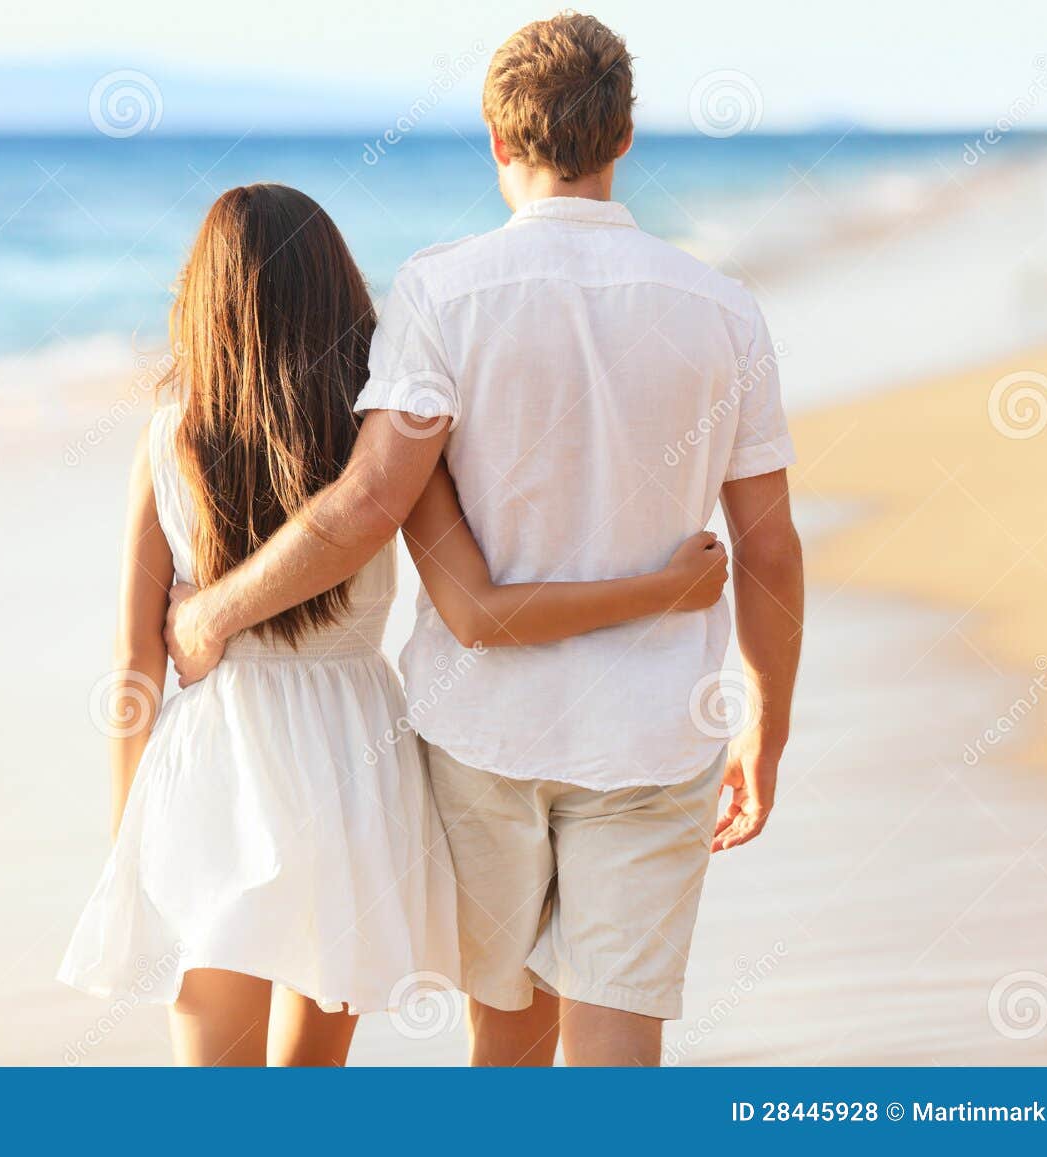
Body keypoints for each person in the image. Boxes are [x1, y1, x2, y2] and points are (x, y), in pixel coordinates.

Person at [165, 14, 805, 1067]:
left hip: (480, 735)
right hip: (653, 732)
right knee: (616, 1032)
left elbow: (369, 502)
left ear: (498, 141)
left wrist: (211, 611)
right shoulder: (722, 309)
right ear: (625, 134)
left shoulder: (442, 291)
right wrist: (764, 729)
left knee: (505, 1035)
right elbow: (769, 551)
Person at [58, 181, 732, 1066]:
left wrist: (127, 836)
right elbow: (479, 605)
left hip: (213, 765)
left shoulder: (171, 433)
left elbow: (133, 659)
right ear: (340, 291)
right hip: (351, 759)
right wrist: (660, 587)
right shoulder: (377, 442)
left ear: (204, 296)